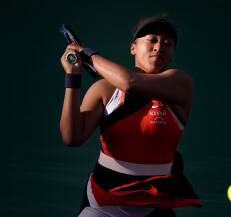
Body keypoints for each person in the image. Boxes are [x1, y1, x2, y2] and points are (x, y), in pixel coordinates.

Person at [59, 14, 202, 217]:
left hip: (155, 207)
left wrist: (88, 55)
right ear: (133, 47)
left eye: (167, 43)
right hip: (102, 204)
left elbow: (130, 83)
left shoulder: (180, 83)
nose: (159, 46)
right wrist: (72, 77)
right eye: (151, 39)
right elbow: (71, 137)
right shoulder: (104, 89)